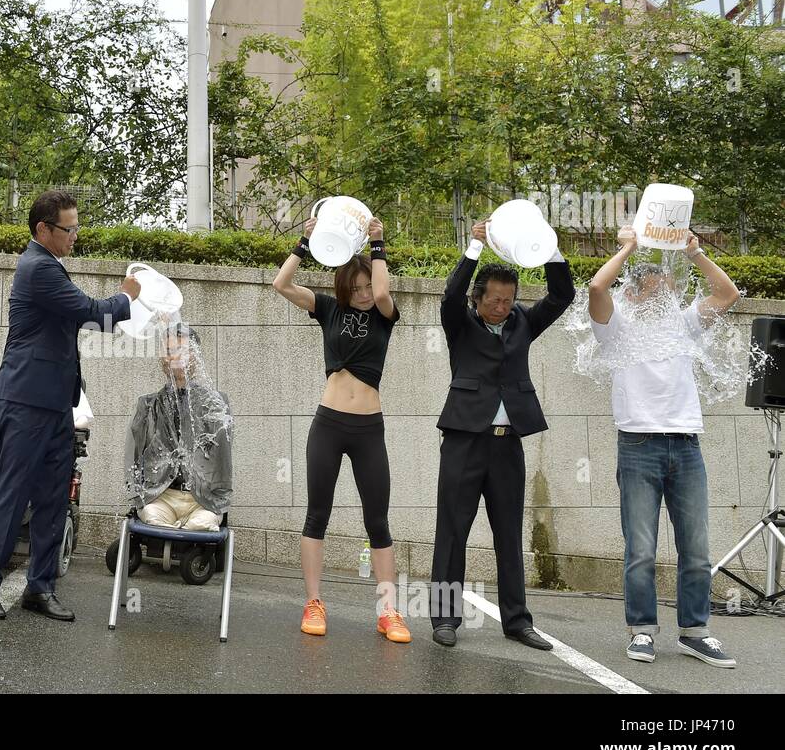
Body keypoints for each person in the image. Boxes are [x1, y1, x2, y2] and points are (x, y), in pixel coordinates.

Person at [0, 190, 139, 621]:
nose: (75, 235)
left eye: (77, 227)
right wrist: (127, 297)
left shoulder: (51, 267)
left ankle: (39, 588)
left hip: (55, 404)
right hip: (25, 399)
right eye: (69, 228)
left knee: (53, 497)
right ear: (43, 229)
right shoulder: (38, 267)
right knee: (11, 492)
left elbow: (82, 316)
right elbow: (92, 312)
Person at [587, 226, 741, 668]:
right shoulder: (615, 330)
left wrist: (695, 255)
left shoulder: (684, 325)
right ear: (633, 294)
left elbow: (727, 293)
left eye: (668, 291)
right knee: (642, 549)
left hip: (687, 446)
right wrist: (629, 247)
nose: (664, 298)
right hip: (637, 446)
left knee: (696, 550)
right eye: (655, 291)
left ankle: (696, 631)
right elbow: (598, 286)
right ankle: (642, 631)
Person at [430, 219, 574, 650]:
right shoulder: (460, 323)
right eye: (495, 300)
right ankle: (444, 618)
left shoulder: (524, 323)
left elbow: (563, 295)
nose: (502, 307)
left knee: (509, 534)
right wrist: (473, 247)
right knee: (452, 530)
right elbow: (451, 294)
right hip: (463, 439)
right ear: (479, 299)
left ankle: (517, 621)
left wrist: (550, 248)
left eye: (509, 300)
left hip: (507, 442)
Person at [272, 215, 411, 642]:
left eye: (368, 286)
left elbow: (385, 290)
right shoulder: (328, 308)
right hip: (329, 423)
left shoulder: (386, 314)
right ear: (344, 290)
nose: (366, 295)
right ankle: (314, 602)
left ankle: (388, 611)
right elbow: (280, 284)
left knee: (378, 522)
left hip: (369, 428)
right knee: (317, 515)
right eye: (357, 289)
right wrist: (305, 241)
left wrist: (378, 244)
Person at [124, 324, 232, 532]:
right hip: (160, 496)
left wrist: (220, 498)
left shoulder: (216, 404)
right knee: (153, 518)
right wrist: (137, 494)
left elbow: (223, 458)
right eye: (168, 350)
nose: (173, 357)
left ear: (195, 356)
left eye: (181, 350)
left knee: (202, 524)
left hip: (203, 500)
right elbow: (134, 455)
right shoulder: (148, 405)